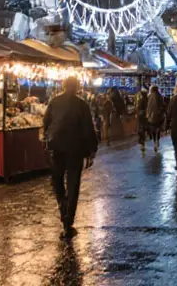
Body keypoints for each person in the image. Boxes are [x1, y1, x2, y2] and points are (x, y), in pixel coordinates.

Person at [42, 77, 98, 239]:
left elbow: (46, 123)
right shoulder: (82, 105)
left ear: (64, 86)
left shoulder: (54, 102)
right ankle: (68, 219)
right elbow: (89, 129)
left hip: (56, 147)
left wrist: (48, 139)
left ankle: (63, 208)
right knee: (73, 183)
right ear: (77, 87)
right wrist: (91, 151)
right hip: (75, 149)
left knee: (58, 181)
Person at [146, 85, 165, 153]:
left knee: (153, 130)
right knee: (158, 129)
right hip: (159, 116)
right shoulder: (160, 96)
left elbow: (148, 107)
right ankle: (157, 141)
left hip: (152, 116)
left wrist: (148, 114)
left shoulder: (150, 96)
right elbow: (163, 106)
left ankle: (155, 142)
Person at [135, 87, 150, 154]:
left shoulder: (140, 100)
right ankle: (144, 141)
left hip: (141, 117)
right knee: (144, 129)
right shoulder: (148, 100)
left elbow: (138, 108)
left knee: (141, 130)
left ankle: (142, 143)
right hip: (146, 117)